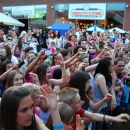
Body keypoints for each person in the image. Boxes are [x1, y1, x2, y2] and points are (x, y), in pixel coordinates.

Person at [57, 87, 130, 130]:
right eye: (78, 102)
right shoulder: (61, 120)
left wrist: (115, 118)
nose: (82, 103)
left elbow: (93, 115)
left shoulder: (78, 110)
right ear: (68, 105)